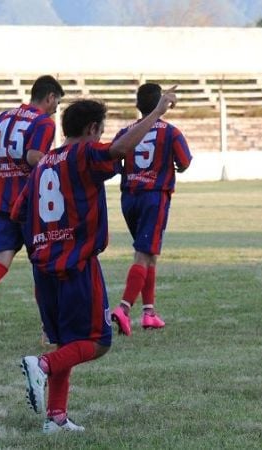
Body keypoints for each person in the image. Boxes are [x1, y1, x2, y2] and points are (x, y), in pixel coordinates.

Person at [12, 88, 178, 433]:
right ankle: (41, 366)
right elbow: (119, 149)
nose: (101, 137)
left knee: (68, 342)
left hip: (44, 267)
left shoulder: (44, 162)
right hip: (77, 265)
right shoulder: (84, 153)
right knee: (99, 342)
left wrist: (44, 242)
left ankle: (56, 417)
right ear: (90, 129)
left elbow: (19, 212)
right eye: (100, 130)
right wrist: (158, 112)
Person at [0, 75, 65, 354]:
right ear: (50, 97)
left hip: (3, 200)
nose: (56, 109)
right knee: (43, 266)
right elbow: (33, 157)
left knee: (0, 261)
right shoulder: (44, 122)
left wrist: (7, 160)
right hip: (30, 204)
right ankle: (49, 328)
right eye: (57, 103)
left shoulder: (5, 117)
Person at [109, 83, 193, 336]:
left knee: (149, 254)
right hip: (154, 197)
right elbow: (185, 162)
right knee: (143, 255)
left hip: (129, 197)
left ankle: (149, 313)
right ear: (160, 105)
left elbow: (112, 160)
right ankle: (124, 308)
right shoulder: (170, 132)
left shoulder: (127, 131)